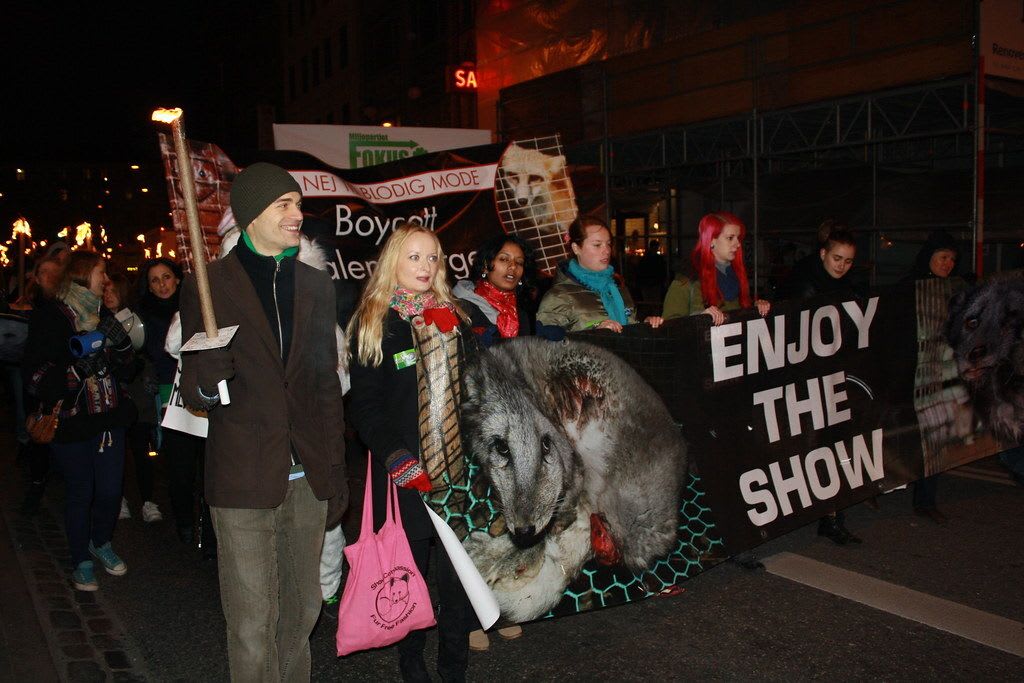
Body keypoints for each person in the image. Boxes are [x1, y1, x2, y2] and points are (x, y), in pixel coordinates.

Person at [178, 162, 348, 681]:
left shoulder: (316, 287)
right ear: (252, 214)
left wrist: (335, 476)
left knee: (301, 617)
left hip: (306, 479)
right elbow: (195, 395)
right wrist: (206, 376)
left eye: (298, 204)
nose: (298, 215)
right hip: (242, 479)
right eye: (285, 205)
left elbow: (323, 389)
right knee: (252, 625)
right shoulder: (208, 287)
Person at [348, 224, 474, 682]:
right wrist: (395, 456)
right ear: (393, 263)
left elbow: (475, 393)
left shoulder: (453, 316)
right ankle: (412, 661)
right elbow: (364, 407)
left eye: (433, 257)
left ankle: (454, 667)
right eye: (415, 257)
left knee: (457, 581)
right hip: (407, 475)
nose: (425, 267)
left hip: (458, 471)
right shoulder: (376, 322)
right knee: (410, 575)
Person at [22, 251, 137, 591]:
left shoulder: (105, 315)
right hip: (72, 424)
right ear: (84, 275)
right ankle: (80, 560)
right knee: (80, 492)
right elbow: (34, 375)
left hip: (109, 419)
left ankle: (99, 542)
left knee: (110, 491)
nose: (106, 281)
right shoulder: (52, 317)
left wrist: (119, 346)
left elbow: (130, 368)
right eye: (102, 273)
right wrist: (73, 370)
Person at [453, 234, 534, 650]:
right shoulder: (463, 308)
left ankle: (501, 605)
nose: (511, 267)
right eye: (503, 259)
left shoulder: (525, 308)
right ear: (486, 264)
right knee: (476, 522)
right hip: (477, 433)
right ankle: (469, 618)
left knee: (511, 520)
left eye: (518, 262)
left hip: (520, 433)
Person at [779, 221, 865, 545]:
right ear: (823, 253)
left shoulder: (851, 286)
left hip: (834, 378)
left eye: (848, 261)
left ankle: (832, 517)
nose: (842, 266)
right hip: (803, 383)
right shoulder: (803, 283)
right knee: (805, 448)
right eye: (837, 259)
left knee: (835, 445)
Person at [901, 230, 966, 525]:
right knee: (904, 438)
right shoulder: (908, 289)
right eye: (943, 257)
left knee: (934, 438)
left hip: (941, 375)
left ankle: (926, 499)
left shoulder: (956, 290)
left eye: (952, 259)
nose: (948, 264)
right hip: (910, 375)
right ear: (929, 258)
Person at [137, 257, 203, 541]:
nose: (162, 284)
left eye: (166, 277)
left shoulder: (197, 306)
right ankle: (185, 522)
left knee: (206, 462)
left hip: (200, 390)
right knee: (179, 464)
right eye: (155, 280)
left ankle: (209, 527)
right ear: (149, 288)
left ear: (177, 279)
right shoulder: (144, 318)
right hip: (169, 395)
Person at [536, 216, 663, 335]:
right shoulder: (558, 296)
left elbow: (628, 328)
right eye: (597, 245)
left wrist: (645, 326)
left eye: (608, 244)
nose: (607, 250)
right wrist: (595, 332)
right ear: (576, 248)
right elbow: (548, 348)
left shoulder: (617, 287)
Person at [103, 272, 162, 524]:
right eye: (104, 291)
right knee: (115, 450)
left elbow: (146, 351)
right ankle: (119, 499)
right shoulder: (98, 320)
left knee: (140, 447)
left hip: (137, 391)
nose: (107, 296)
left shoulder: (137, 319)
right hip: (113, 391)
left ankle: (148, 500)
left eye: (112, 291)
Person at [662, 211, 771, 325]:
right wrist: (700, 319)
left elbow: (740, 315)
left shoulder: (736, 276)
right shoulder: (687, 279)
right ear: (711, 241)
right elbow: (670, 326)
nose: (738, 244)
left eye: (738, 238)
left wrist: (755, 308)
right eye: (730, 238)